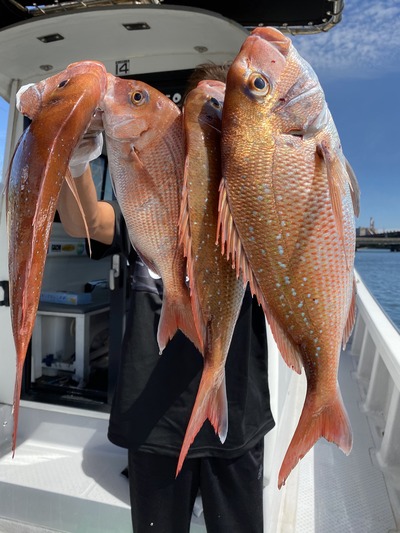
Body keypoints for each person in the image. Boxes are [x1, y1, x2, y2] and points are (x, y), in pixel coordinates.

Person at [57, 62, 275, 533]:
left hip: (235, 412)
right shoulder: (149, 188)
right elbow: (87, 224)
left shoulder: (250, 199)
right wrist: (76, 164)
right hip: (152, 414)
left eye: (221, 112)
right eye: (201, 110)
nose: (208, 124)